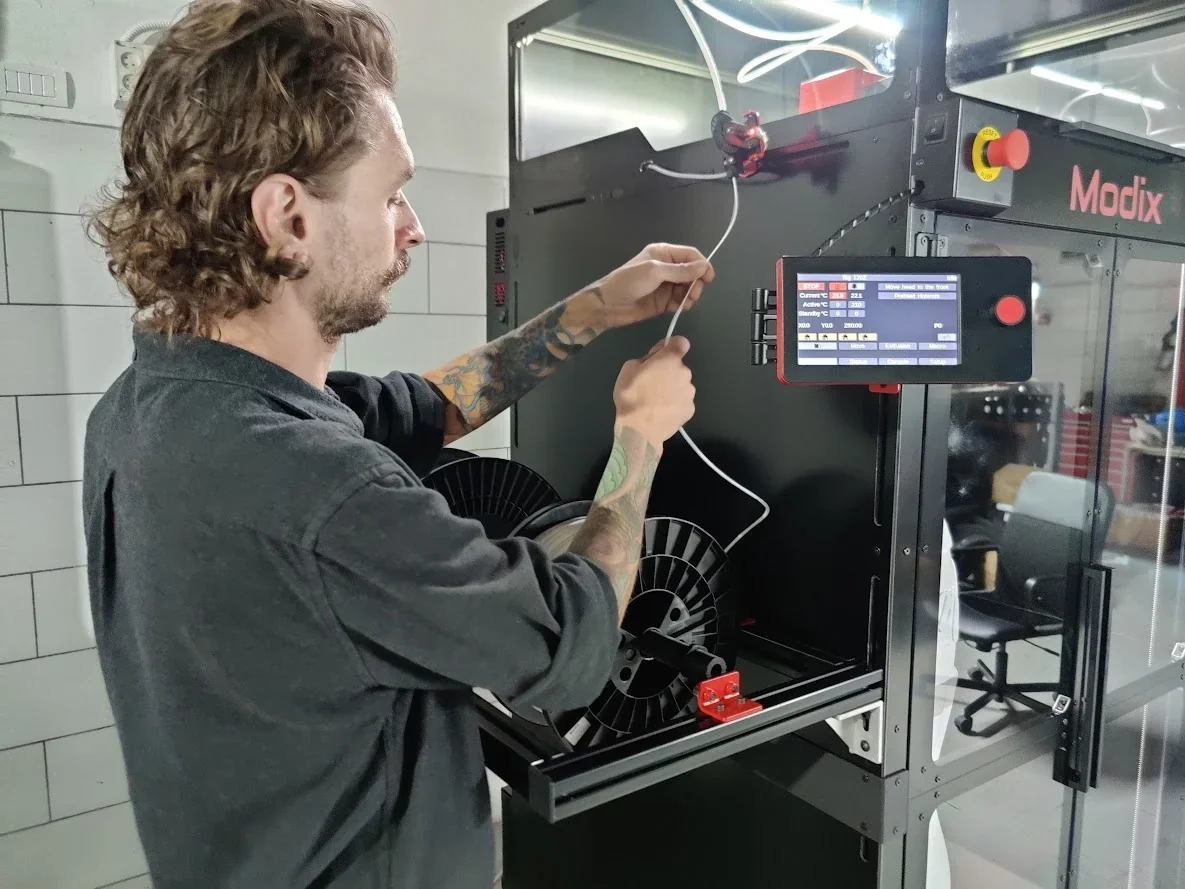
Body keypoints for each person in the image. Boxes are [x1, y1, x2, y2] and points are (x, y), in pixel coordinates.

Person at [81, 2, 714, 888]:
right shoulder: (317, 491)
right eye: (389, 195)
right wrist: (638, 439)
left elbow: (426, 406)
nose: (412, 225)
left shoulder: (151, 408)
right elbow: (570, 647)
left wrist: (594, 309)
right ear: (286, 216)